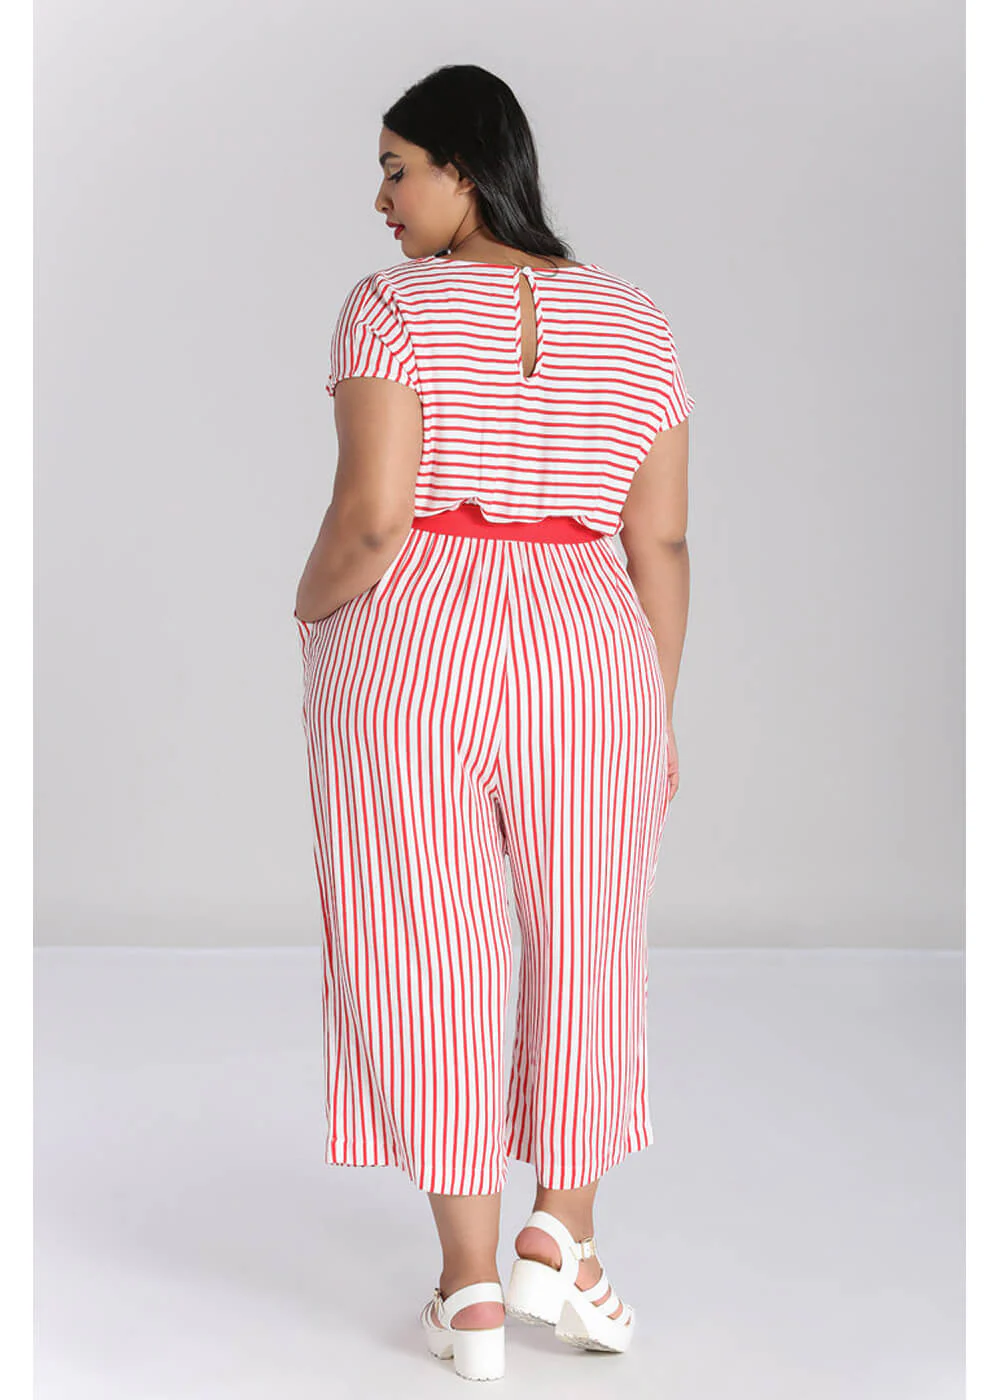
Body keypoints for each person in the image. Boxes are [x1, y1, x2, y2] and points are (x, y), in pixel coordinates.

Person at [293, 64, 694, 1381]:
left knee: (425, 945)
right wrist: (652, 708)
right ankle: (562, 1238)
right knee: (590, 932)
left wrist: (308, 606)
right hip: (592, 639)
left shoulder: (390, 309)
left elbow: (372, 517)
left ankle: (469, 1291)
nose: (381, 199)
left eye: (397, 168)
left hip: (415, 638)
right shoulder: (637, 322)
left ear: (466, 170)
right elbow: (661, 542)